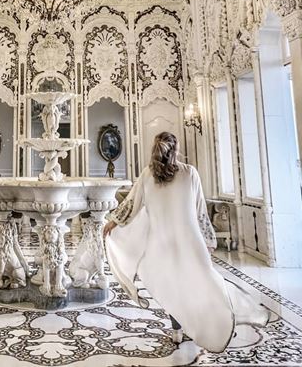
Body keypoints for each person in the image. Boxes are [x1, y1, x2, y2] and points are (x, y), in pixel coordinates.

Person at [104, 132, 269, 352]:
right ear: (176, 149)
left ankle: (177, 330)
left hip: (160, 245)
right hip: (190, 243)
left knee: (173, 288)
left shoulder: (147, 175)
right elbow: (200, 211)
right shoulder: (190, 173)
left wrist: (112, 223)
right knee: (203, 283)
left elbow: (130, 206)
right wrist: (209, 240)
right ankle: (211, 323)